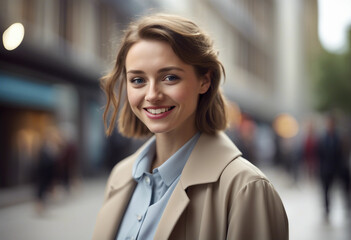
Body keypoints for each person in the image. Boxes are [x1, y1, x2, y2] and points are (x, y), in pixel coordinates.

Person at [93, 13, 288, 240]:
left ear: (205, 80)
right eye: (138, 80)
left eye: (170, 77)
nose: (152, 95)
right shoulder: (120, 176)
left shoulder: (247, 189)